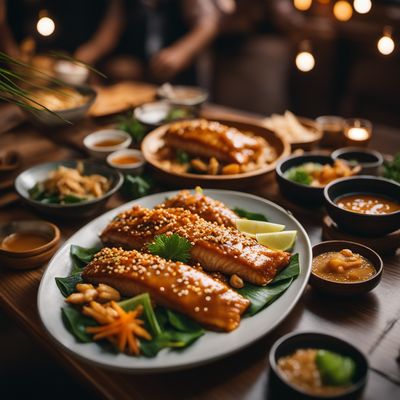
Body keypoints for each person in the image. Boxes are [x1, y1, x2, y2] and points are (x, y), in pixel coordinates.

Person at [103, 0, 220, 84]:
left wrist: (181, 52)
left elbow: (208, 25)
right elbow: (110, 32)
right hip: (143, 71)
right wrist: (86, 59)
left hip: (181, 78)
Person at [0, 0, 124, 66]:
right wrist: (14, 56)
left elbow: (115, 17)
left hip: (80, 54)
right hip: (27, 59)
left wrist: (90, 53)